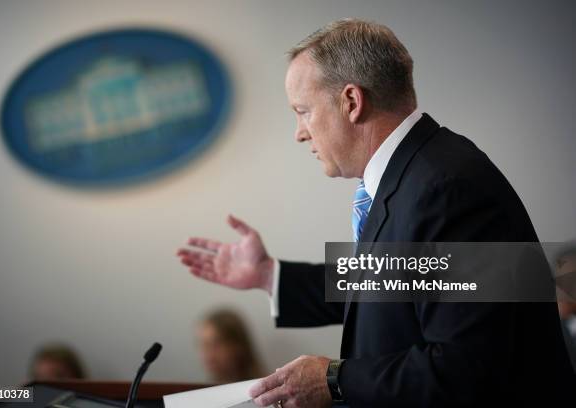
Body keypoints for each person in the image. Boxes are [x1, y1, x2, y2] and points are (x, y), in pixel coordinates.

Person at [177, 19, 575, 407]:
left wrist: (333, 380)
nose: (299, 132)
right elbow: (386, 285)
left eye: (302, 110)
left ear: (351, 101)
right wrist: (269, 275)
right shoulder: (418, 173)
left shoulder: (447, 187)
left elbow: (469, 367)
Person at [197, 308, 266, 383]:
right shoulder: (203, 392)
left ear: (238, 345)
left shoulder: (266, 387)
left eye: (217, 344)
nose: (209, 354)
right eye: (204, 345)